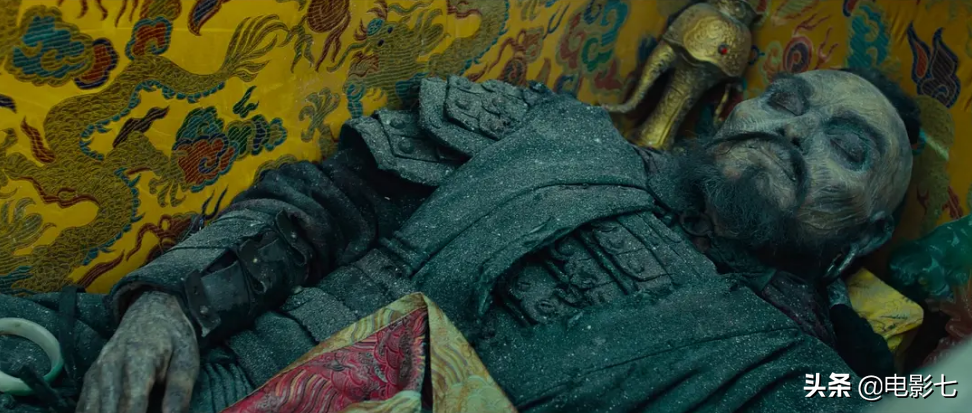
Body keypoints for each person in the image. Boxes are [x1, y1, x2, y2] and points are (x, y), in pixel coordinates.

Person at [0, 67, 919, 413]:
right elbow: (323, 205)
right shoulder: (554, 131)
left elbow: (919, 394)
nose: (795, 129)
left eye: (847, 146)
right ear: (737, 108)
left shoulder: (797, 373)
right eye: (788, 100)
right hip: (198, 384)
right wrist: (173, 307)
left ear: (870, 230)